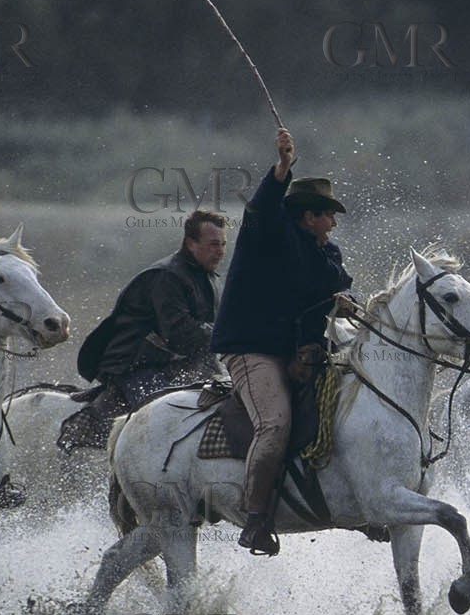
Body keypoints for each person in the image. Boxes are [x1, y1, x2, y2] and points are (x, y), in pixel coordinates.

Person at [211, 128, 354, 555]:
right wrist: (283, 168)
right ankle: (256, 518)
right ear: (308, 216)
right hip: (251, 349)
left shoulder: (326, 253)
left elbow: (330, 290)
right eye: (328, 215)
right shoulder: (268, 234)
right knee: (274, 424)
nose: (333, 222)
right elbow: (261, 208)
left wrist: (340, 305)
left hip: (297, 354)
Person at [64, 210, 227, 450]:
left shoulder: (208, 278)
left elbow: (206, 337)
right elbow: (182, 335)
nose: (220, 251)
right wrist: (228, 333)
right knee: (166, 418)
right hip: (135, 364)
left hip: (173, 364)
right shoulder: (166, 277)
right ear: (191, 243)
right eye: (213, 244)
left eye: (223, 244)